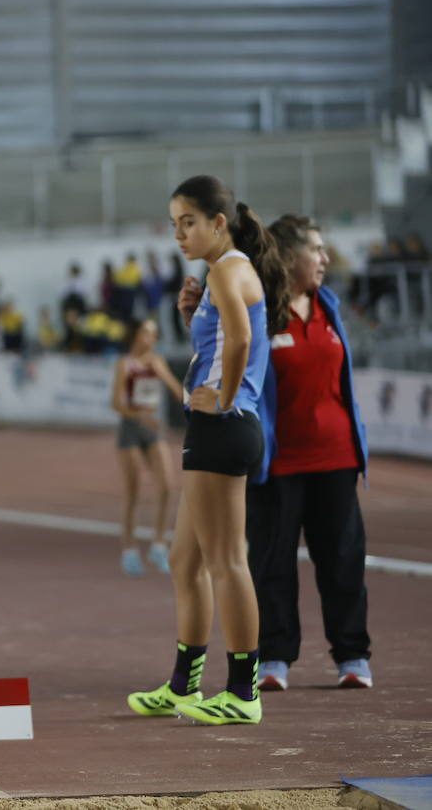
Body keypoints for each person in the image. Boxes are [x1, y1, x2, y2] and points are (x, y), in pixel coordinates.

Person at [128, 175, 288, 726]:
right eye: (173, 224)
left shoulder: (227, 267)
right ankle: (183, 686)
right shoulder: (219, 274)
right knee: (185, 559)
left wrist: (221, 396)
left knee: (226, 561)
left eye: (188, 222)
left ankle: (244, 692)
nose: (178, 233)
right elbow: (224, 339)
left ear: (218, 223)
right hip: (215, 426)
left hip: (224, 425)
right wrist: (192, 315)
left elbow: (242, 340)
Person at [246, 215, 372, 692]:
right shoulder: (259, 311)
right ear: (287, 256)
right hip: (278, 463)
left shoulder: (330, 306)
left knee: (343, 558)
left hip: (336, 456)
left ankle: (353, 655)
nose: (324, 258)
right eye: (315, 249)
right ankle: (275, 657)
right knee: (272, 562)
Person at [110, 319, 182, 577]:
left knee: (166, 487)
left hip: (152, 428)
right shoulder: (125, 364)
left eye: (153, 335)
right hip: (131, 427)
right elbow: (115, 403)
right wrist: (138, 415)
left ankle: (159, 544)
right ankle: (129, 550)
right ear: (135, 335)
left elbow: (176, 390)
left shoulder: (157, 362)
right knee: (133, 491)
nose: (150, 339)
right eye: (145, 333)